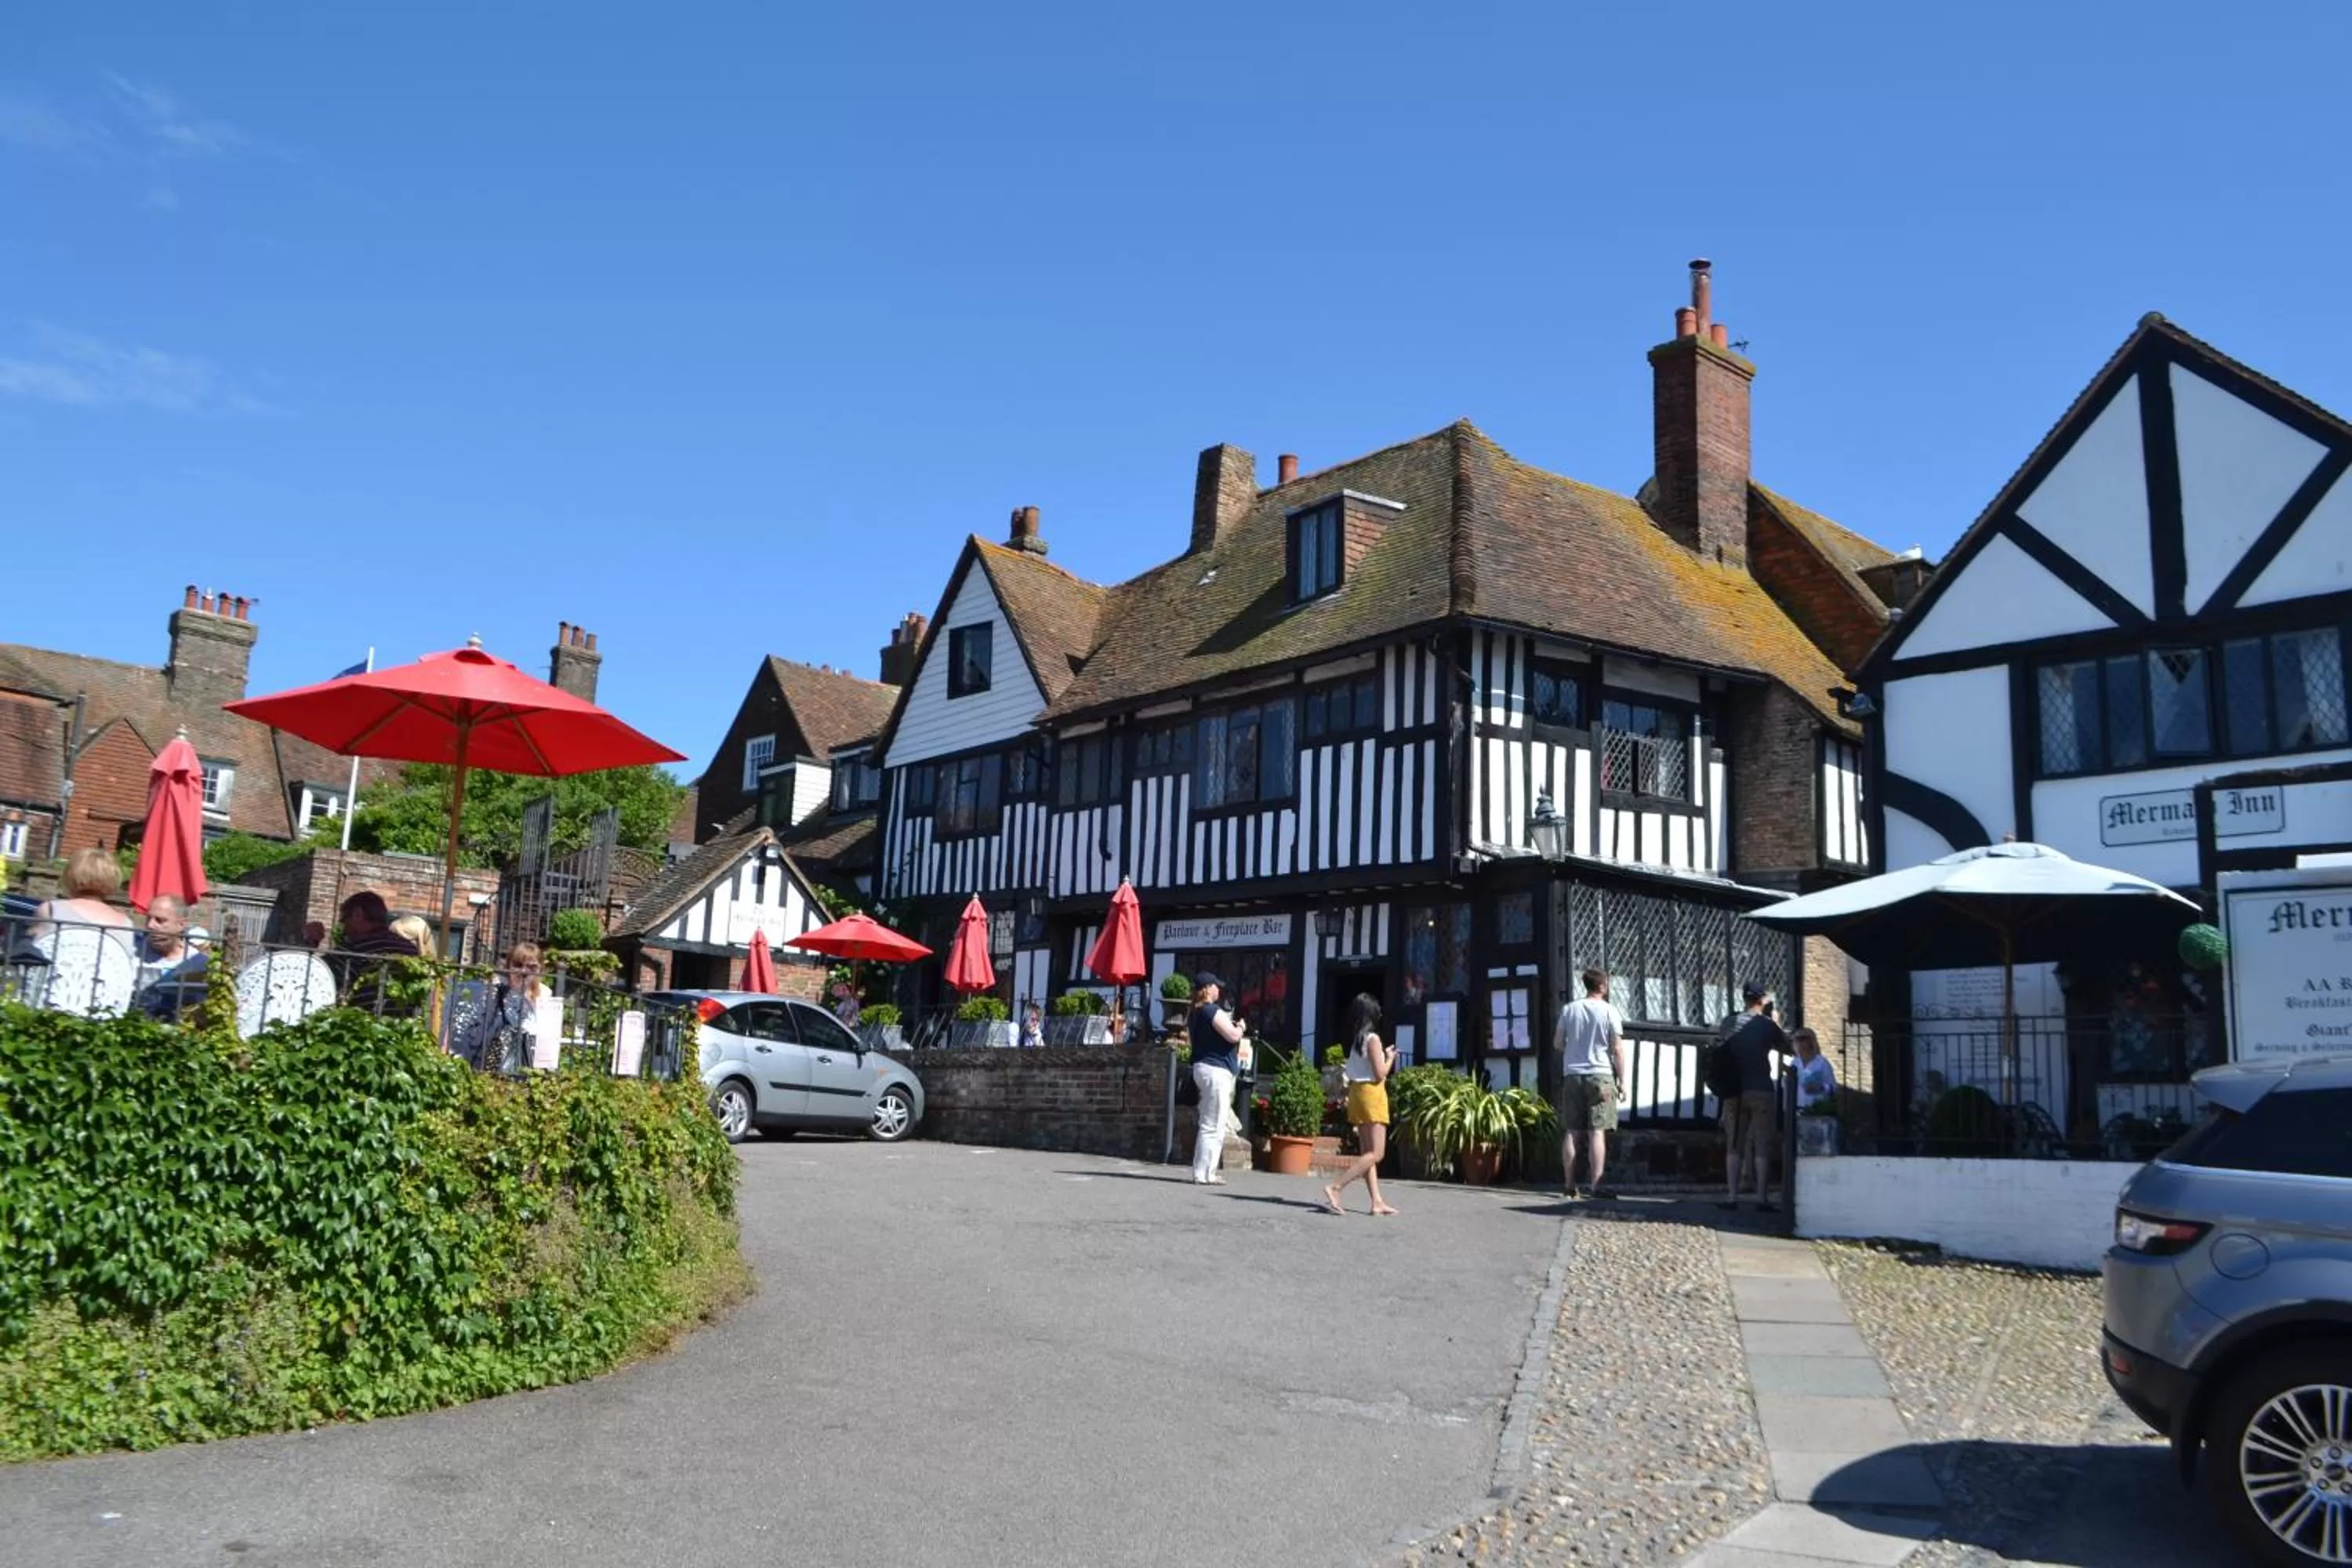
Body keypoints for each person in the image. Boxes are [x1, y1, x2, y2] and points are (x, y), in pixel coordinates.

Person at [1552, 967, 1629, 1202]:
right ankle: (1596, 1185)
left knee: (1572, 1131)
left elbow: (1558, 1043)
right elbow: (1617, 1048)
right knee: (1597, 1131)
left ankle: (1569, 1185)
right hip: (1600, 1075)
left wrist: (1575, 1051)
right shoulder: (1609, 1011)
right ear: (1602, 986)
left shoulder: (1569, 1009)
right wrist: (1622, 1081)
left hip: (1573, 1075)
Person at [31, 848, 137, 1016]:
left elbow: (31, 957)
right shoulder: (126, 924)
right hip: (101, 1013)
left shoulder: (51, 910)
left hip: (49, 1007)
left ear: (71, 875)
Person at [1323, 994, 1399, 1216]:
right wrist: (1390, 1058)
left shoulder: (1357, 1040)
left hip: (1357, 1093)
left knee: (1367, 1152)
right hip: (1371, 1095)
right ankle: (1336, 1187)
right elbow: (1380, 1073)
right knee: (1377, 1153)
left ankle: (1376, 1201)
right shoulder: (1373, 1039)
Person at [1719, 983, 1788, 1213]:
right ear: (1762, 1000)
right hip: (1761, 1089)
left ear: (1745, 999)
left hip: (1734, 1090)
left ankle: (1732, 1197)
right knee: (1762, 1145)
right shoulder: (1767, 1025)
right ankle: (1761, 1199)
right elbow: (1788, 1047)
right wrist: (1775, 1021)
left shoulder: (1729, 1022)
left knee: (1734, 1145)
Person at [1187, 972, 1248, 1185]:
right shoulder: (1211, 1011)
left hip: (1203, 1068)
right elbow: (1232, 1035)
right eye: (1216, 986)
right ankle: (1206, 1174)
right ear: (1208, 988)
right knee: (1214, 1124)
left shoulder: (1195, 1013)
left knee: (1208, 1122)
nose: (1218, 990)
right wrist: (1241, 1027)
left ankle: (1202, 1171)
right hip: (1216, 1071)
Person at [457, 942, 551, 1072]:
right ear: (508, 966)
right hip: (497, 1057)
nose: (524, 971)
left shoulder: (544, 994)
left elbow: (547, 1033)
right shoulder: (496, 988)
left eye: (532, 967)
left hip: (529, 1058)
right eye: (518, 965)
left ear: (540, 969)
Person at [325, 891, 422, 1014]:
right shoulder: (410, 948)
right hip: (403, 1021)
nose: (344, 928)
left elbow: (325, 983)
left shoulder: (353, 948)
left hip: (363, 1021)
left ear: (357, 914)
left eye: (344, 920)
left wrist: (312, 941)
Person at [134, 893, 210, 1021]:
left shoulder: (199, 964)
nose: (151, 925)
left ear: (181, 925)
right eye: (148, 919)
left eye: (160, 920)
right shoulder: (133, 948)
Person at [1791, 1026, 1837, 1112]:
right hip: (1796, 1110)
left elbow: (1833, 1087)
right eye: (1795, 1039)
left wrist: (1821, 1087)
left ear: (1811, 1041)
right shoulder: (1794, 1063)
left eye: (1801, 1039)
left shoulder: (1822, 1063)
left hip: (1816, 1110)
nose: (1797, 1042)